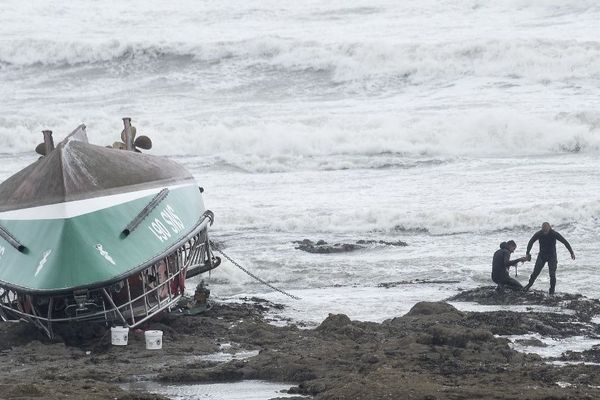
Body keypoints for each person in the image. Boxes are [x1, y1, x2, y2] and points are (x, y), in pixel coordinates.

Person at [523, 222, 575, 295]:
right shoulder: (539, 233)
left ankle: (552, 291)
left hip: (552, 256)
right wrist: (527, 253)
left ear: (549, 228)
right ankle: (529, 285)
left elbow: (565, 242)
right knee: (535, 272)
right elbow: (531, 242)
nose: (545, 233)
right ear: (542, 229)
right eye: (544, 231)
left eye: (546, 231)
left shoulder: (554, 233)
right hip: (542, 255)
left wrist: (571, 252)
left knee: (552, 274)